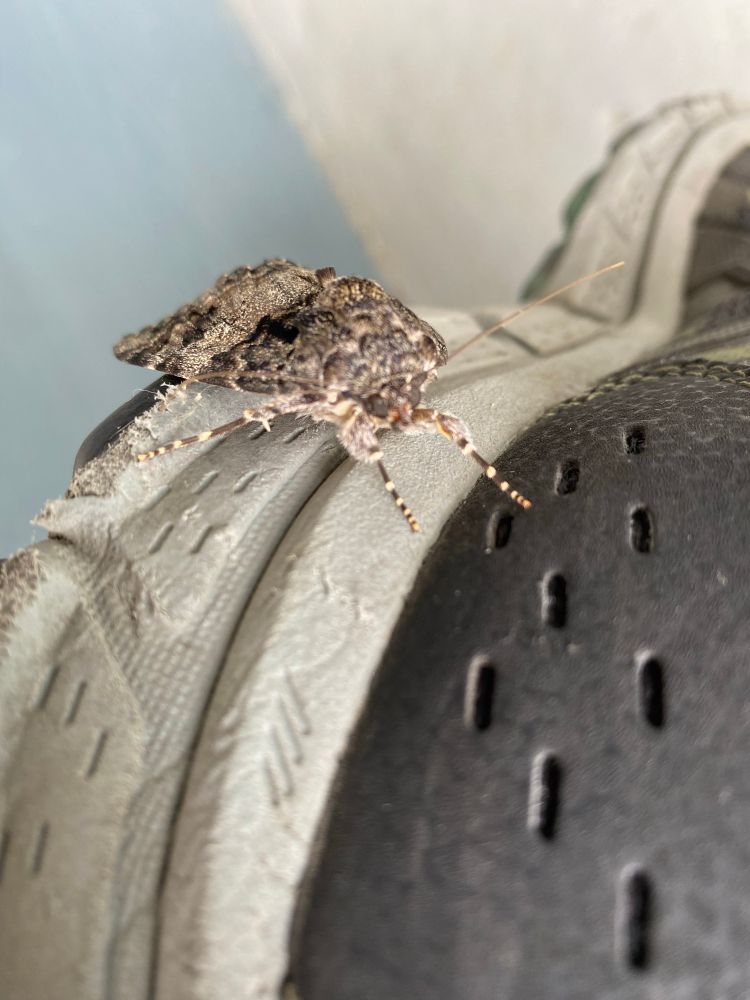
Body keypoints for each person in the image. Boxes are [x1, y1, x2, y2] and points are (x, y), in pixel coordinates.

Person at [3, 96, 750, 999]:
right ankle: (201, 443)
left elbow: (406, 400)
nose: (403, 419)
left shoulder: (408, 382)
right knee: (272, 400)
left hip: (353, 335)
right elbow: (325, 394)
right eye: (394, 413)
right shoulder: (337, 383)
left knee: (398, 403)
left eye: (409, 407)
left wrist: (448, 450)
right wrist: (362, 463)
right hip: (302, 337)